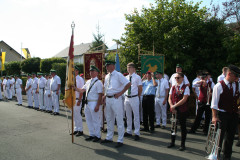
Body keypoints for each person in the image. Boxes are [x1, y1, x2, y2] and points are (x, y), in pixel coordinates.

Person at [211, 65, 240, 159]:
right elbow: (214, 104)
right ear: (229, 74)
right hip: (222, 114)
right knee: (219, 137)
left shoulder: (237, 84)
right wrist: (214, 117)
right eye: (236, 76)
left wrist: (238, 109)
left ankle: (227, 156)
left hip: (233, 114)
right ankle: (216, 155)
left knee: (230, 137)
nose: (237, 78)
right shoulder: (219, 86)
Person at [101, 60, 131, 148]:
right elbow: (107, 87)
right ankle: (109, 137)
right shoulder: (107, 76)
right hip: (109, 98)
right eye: (106, 65)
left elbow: (128, 84)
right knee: (109, 119)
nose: (106, 67)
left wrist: (120, 93)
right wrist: (105, 95)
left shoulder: (118, 74)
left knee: (119, 119)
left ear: (113, 66)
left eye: (108, 65)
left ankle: (120, 139)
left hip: (116, 98)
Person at [77, 65, 103, 142]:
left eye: (93, 71)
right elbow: (82, 90)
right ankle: (92, 134)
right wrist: (74, 88)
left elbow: (100, 94)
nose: (91, 73)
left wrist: (98, 105)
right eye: (90, 71)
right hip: (87, 103)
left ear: (97, 73)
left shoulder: (98, 82)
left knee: (95, 120)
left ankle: (97, 135)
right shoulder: (88, 81)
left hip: (94, 102)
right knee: (88, 120)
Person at [168, 72, 190, 151]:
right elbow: (169, 97)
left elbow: (184, 99)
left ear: (182, 78)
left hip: (182, 110)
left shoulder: (186, 87)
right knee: (173, 126)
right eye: (175, 78)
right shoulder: (173, 87)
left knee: (183, 127)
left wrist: (174, 106)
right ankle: (172, 142)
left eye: (178, 78)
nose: (176, 79)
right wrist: (171, 105)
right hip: (174, 109)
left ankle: (182, 144)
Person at [124, 62, 142, 141]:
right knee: (128, 116)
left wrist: (137, 96)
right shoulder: (126, 77)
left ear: (133, 68)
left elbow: (140, 88)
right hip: (127, 98)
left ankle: (137, 133)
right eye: (127, 67)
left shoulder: (137, 77)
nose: (128, 69)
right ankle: (129, 131)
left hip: (134, 97)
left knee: (136, 116)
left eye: (129, 67)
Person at [71, 66, 85, 136]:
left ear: (77, 71)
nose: (74, 72)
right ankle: (76, 129)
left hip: (77, 99)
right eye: (73, 70)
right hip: (72, 99)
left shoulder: (80, 79)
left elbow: (81, 90)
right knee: (73, 115)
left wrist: (80, 100)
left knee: (78, 115)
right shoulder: (71, 79)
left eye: (75, 70)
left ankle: (80, 129)